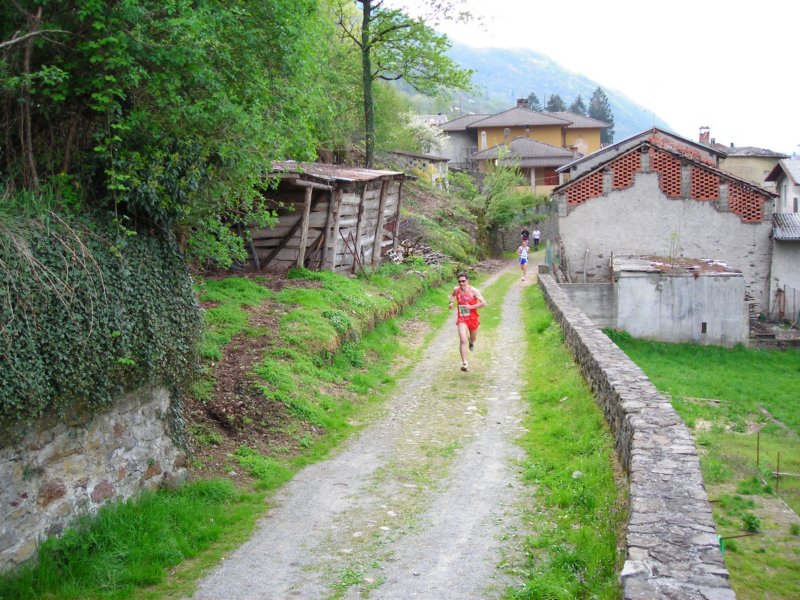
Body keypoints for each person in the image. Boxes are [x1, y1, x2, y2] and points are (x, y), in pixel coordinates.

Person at [448, 272, 487, 372]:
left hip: (473, 319)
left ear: (467, 281)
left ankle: (471, 342)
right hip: (462, 319)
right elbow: (452, 295)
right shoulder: (456, 289)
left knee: (473, 339)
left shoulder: (474, 291)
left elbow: (484, 303)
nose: (461, 283)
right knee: (463, 340)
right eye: (459, 281)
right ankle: (465, 363)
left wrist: (470, 307)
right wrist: (451, 302)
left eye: (463, 281)